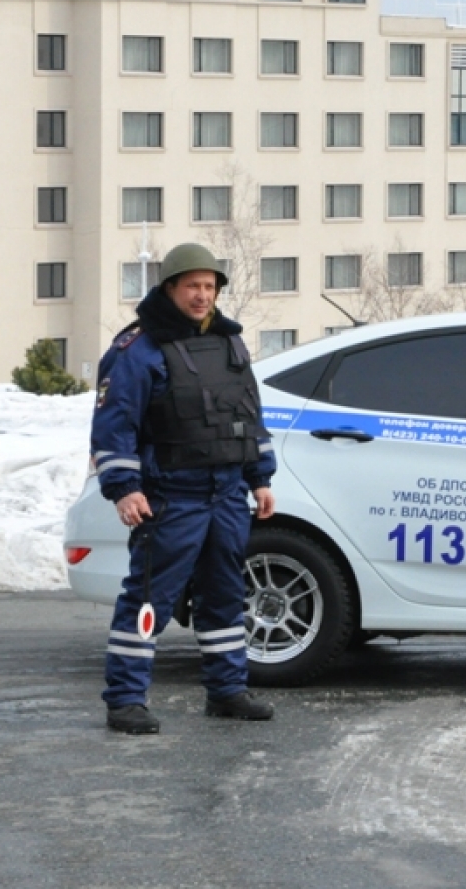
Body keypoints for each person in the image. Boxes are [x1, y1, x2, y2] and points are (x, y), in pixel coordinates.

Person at [91, 243, 278, 734]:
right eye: (192, 286)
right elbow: (114, 426)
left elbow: (249, 416)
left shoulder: (231, 344)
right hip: (171, 496)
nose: (202, 296)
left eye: (209, 287)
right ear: (169, 287)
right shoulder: (138, 349)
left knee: (224, 596)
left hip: (227, 494)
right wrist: (124, 488)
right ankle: (126, 699)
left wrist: (261, 478)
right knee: (149, 598)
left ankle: (227, 690)